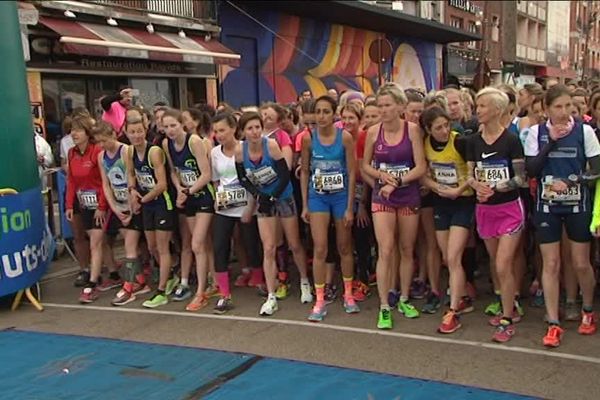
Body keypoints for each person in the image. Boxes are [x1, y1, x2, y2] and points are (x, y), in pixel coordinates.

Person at [524, 84, 599, 347]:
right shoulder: (535, 132)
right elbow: (532, 169)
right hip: (547, 205)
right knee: (551, 263)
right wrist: (552, 141)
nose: (565, 111)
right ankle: (553, 321)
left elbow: (596, 170)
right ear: (546, 109)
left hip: (577, 204)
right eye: (558, 106)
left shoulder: (585, 131)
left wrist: (571, 181)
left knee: (580, 263)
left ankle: (588, 309)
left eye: (569, 106)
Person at [361, 83, 426, 329]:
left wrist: (397, 180)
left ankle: (405, 298)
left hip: (407, 195)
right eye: (381, 105)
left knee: (407, 248)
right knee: (385, 249)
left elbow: (420, 167)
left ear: (400, 107)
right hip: (382, 197)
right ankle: (384, 305)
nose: (384, 109)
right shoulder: (372, 132)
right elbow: (365, 165)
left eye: (388, 105)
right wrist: (380, 175)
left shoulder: (412, 131)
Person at [236, 112, 313, 315]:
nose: (254, 132)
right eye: (250, 128)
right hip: (263, 198)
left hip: (283, 195)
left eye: (257, 127)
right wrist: (260, 196)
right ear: (243, 131)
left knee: (294, 243)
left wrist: (272, 197)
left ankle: (305, 281)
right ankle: (271, 295)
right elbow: (243, 179)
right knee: (268, 247)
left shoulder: (270, 145)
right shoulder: (240, 150)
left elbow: (283, 174)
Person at [466, 87, 526, 343]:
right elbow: (469, 174)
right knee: (496, 265)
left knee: (503, 263)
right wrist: (476, 185)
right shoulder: (473, 141)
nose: (478, 110)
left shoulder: (511, 140)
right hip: (485, 211)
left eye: (483, 106)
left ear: (498, 110)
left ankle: (507, 318)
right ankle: (508, 305)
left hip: (510, 209)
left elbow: (521, 178)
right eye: (477, 106)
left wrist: (497, 187)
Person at [301, 95, 359, 322]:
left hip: (340, 196)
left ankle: (348, 294)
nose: (322, 116)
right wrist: (305, 204)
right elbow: (305, 171)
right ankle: (319, 299)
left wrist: (350, 207)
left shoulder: (344, 138)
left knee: (344, 246)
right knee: (320, 248)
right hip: (318, 198)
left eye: (326, 111)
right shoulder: (308, 139)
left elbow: (353, 172)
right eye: (318, 112)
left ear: (334, 114)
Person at [420, 107, 475, 333]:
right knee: (447, 258)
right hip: (442, 202)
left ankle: (453, 311)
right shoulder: (424, 144)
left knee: (453, 256)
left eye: (446, 125)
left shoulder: (460, 142)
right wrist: (436, 187)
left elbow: (473, 174)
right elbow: (423, 174)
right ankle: (461, 296)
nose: (444, 131)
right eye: (438, 128)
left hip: (462, 201)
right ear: (428, 129)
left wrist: (458, 189)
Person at [163, 109, 215, 311]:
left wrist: (189, 190)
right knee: (203, 244)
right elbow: (173, 172)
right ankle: (213, 280)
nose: (170, 130)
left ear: (182, 124)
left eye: (173, 125)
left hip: (203, 196)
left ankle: (200, 292)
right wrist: (179, 190)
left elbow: (206, 174)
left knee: (197, 244)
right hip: (188, 197)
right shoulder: (167, 144)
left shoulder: (194, 142)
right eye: (166, 127)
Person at [94, 120, 149, 305]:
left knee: (131, 247)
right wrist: (115, 208)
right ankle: (139, 280)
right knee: (130, 245)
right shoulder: (102, 156)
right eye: (99, 142)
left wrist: (132, 207)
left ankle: (129, 286)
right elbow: (105, 184)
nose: (102, 145)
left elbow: (132, 178)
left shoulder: (126, 151)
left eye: (104, 140)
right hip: (119, 206)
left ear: (113, 135)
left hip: (134, 205)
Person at [127, 112, 175, 309]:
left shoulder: (154, 152)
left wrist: (142, 199)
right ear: (126, 133)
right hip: (146, 203)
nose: (136, 135)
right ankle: (170, 275)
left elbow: (162, 184)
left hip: (162, 203)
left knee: (162, 248)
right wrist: (132, 191)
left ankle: (162, 290)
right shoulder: (129, 152)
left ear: (145, 131)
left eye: (139, 131)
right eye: (132, 132)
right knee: (152, 247)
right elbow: (131, 174)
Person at [65, 116, 107, 303]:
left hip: (99, 204)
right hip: (83, 204)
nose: (74, 133)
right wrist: (68, 205)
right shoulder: (71, 153)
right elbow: (72, 181)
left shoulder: (97, 151)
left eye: (78, 130)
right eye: (72, 130)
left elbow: (105, 182)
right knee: (95, 242)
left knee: (96, 244)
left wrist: (102, 206)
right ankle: (112, 273)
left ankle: (92, 284)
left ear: (87, 133)